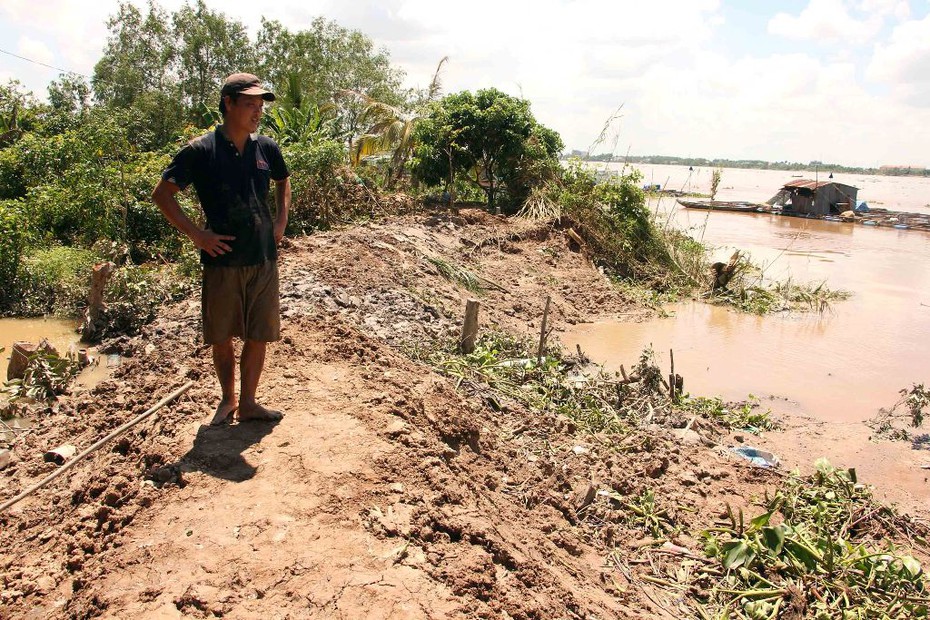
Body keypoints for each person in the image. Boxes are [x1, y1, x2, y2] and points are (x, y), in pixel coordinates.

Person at [152, 73, 291, 425]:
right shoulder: (201, 150)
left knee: (259, 333)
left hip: (263, 258)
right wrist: (198, 235)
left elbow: (283, 181)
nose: (257, 111)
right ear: (228, 103)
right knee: (222, 335)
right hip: (222, 261)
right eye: (250, 104)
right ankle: (227, 399)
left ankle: (249, 403)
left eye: (260, 105)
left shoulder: (266, 148)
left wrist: (280, 222)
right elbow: (162, 195)